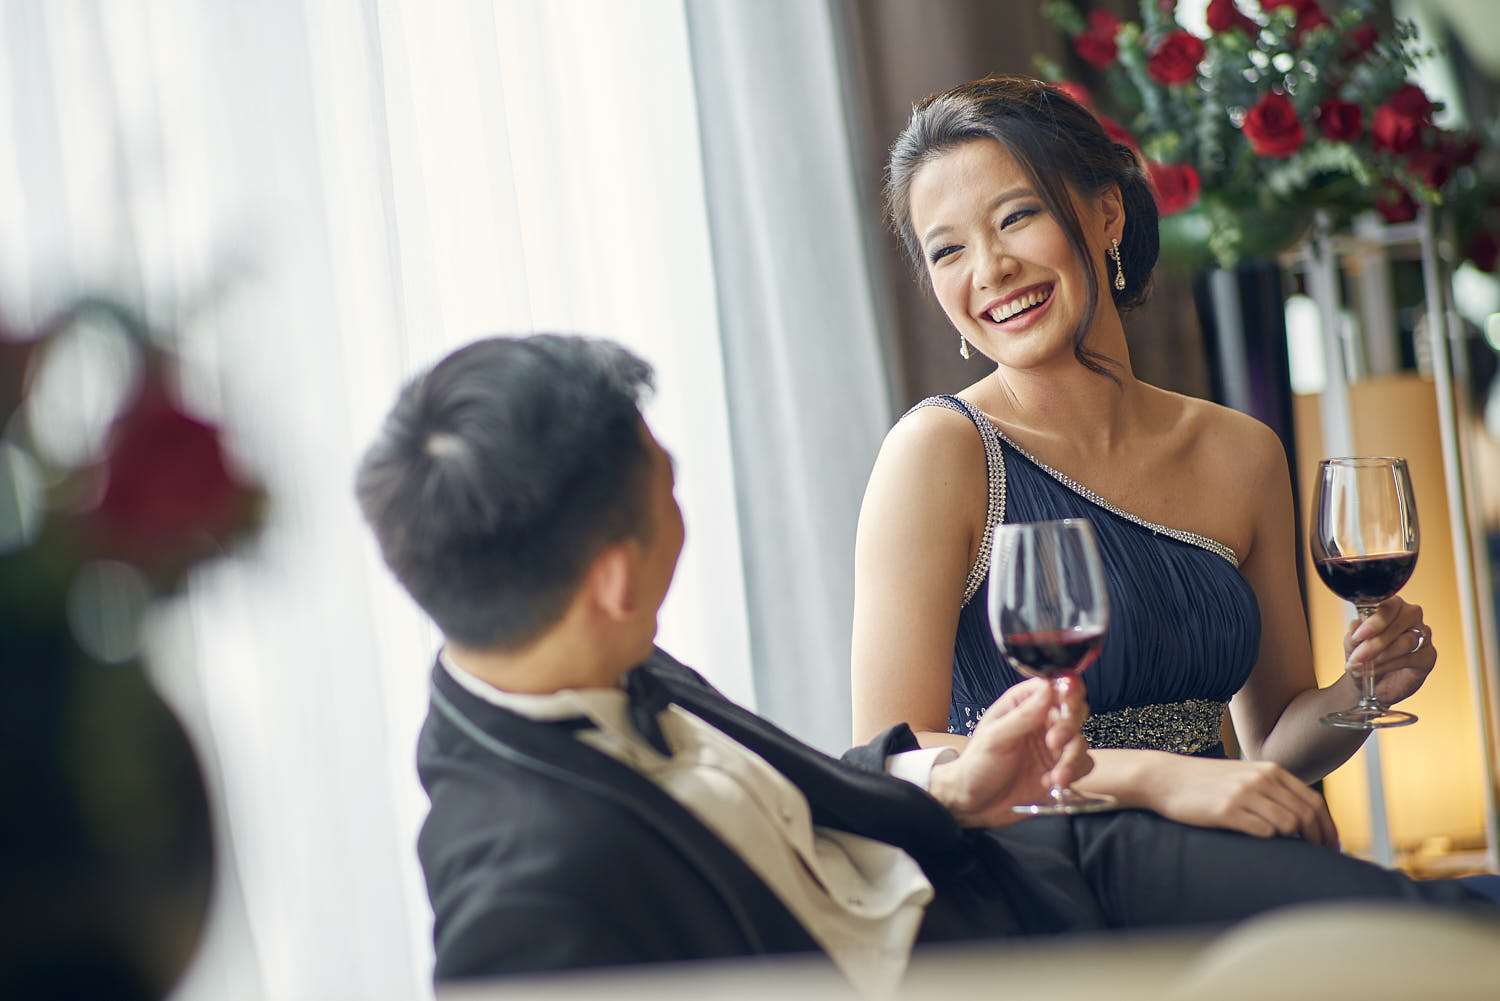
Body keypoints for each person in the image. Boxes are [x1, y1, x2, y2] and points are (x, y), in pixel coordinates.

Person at [355, 333, 1488, 992]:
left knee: (1443, 927)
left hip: (1045, 857)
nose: (681, 508)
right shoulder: (523, 890)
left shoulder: (587, 646)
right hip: (997, 956)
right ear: (612, 573)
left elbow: (822, 788)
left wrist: (952, 777)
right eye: (668, 488)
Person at [851, 76, 1437, 848]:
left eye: (1016, 216)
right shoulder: (940, 451)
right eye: (948, 250)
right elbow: (888, 756)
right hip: (1055, 866)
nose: (987, 268)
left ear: (1106, 213)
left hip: (1223, 856)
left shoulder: (1242, 452)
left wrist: (1360, 694)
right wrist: (1158, 777)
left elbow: (1272, 747)